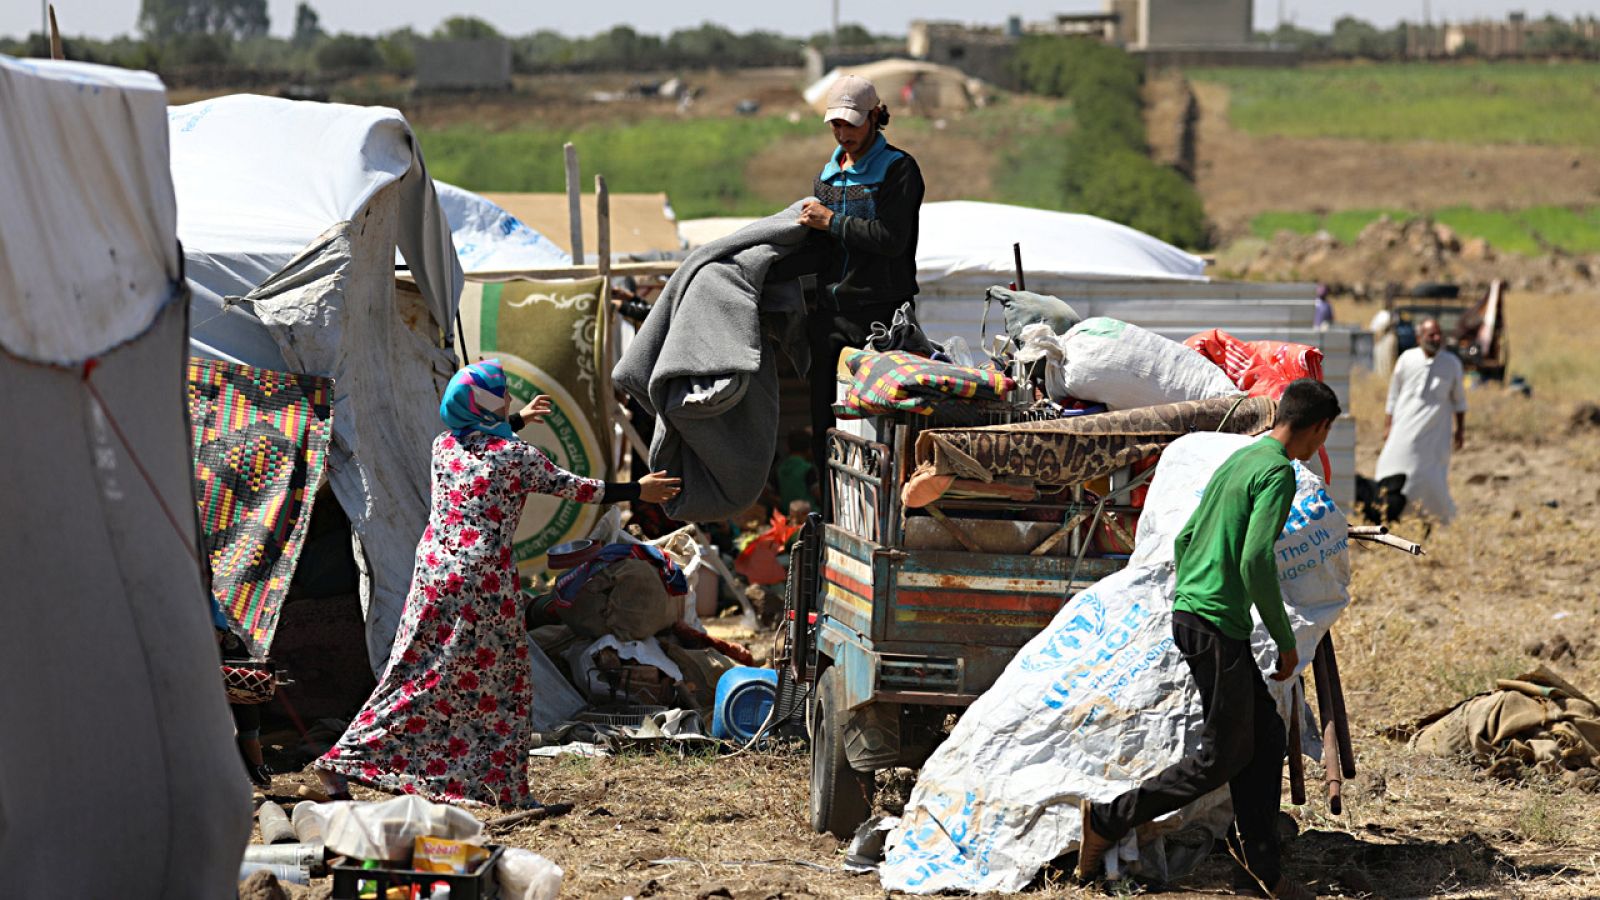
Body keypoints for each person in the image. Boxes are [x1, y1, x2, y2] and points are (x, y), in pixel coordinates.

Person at [313, 360, 680, 805]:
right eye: (503, 396)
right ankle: (502, 789)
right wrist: (639, 490)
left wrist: (519, 420)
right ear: (488, 405)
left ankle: (345, 760)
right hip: (481, 583)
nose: (510, 401)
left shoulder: (444, 446)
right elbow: (580, 489)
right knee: (501, 686)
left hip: (433, 575)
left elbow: (483, 435)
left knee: (414, 672)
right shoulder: (517, 457)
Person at [1076, 378, 1342, 900]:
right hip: (1215, 623)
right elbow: (1255, 559)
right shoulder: (1277, 473)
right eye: (1324, 434)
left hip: (1201, 617)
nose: (1321, 446)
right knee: (1222, 756)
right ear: (1317, 427)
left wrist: (1196, 589)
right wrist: (1286, 642)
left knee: (1264, 739)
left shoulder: (1240, 460)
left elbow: (1185, 537)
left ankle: (1261, 869)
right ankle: (1109, 818)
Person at [780, 74, 925, 519]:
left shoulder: (899, 170)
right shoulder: (829, 172)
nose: (844, 135)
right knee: (827, 423)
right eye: (836, 126)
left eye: (852, 125)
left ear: (875, 118)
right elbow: (820, 246)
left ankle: (877, 515)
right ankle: (830, 517)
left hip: (879, 318)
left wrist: (832, 223)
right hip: (829, 316)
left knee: (872, 423)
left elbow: (890, 238)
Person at [1374, 318, 1467, 524]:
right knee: (1392, 468)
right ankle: (1390, 514)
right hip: (1404, 427)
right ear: (1419, 338)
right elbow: (1393, 396)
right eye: (1430, 335)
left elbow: (1459, 402)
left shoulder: (1451, 364)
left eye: (1438, 334)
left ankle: (1437, 518)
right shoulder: (1407, 359)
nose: (1436, 338)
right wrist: (1388, 425)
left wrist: (1460, 431)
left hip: (1435, 433)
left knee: (1431, 477)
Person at [775, 428, 818, 511]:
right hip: (807, 515)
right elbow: (818, 494)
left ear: (788, 447)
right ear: (809, 449)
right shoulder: (807, 468)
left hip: (788, 515)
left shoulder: (780, 468)